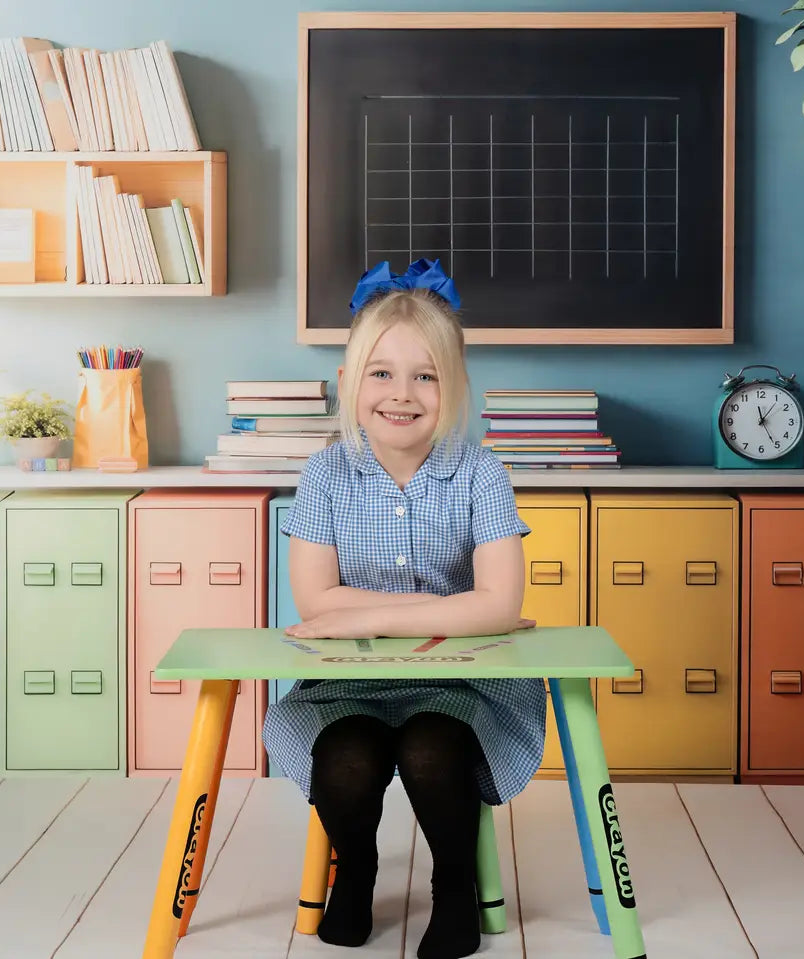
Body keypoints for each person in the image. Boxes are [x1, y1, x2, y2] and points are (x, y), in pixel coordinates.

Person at [262, 259, 544, 959]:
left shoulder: (481, 472)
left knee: (431, 749)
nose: (402, 394)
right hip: (348, 684)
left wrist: (363, 614)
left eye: (426, 375)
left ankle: (453, 885)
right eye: (381, 373)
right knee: (346, 760)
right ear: (348, 385)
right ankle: (355, 871)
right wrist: (444, 604)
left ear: (454, 388)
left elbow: (503, 603)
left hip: (461, 686)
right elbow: (314, 599)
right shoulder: (326, 474)